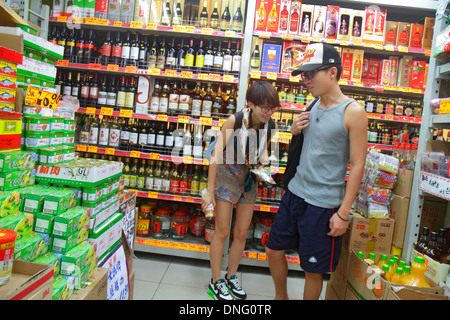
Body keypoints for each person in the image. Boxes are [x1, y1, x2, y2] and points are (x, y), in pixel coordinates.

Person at [265, 43, 368, 300]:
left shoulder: (353, 112)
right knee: (273, 250)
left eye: (310, 74)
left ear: (332, 72)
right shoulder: (312, 105)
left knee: (313, 268)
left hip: (323, 205)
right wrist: (294, 132)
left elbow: (358, 165)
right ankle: (281, 297)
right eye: (303, 75)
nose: (305, 80)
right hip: (294, 194)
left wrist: (343, 214)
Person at [202, 81, 279, 300]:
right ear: (250, 104)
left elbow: (263, 154)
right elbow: (215, 156)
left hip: (248, 179)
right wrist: (209, 191)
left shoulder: (270, 125)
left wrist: (264, 165)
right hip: (226, 175)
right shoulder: (234, 121)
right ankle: (215, 282)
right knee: (222, 231)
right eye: (264, 107)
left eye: (272, 107)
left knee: (242, 233)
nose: (268, 111)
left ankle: (231, 276)